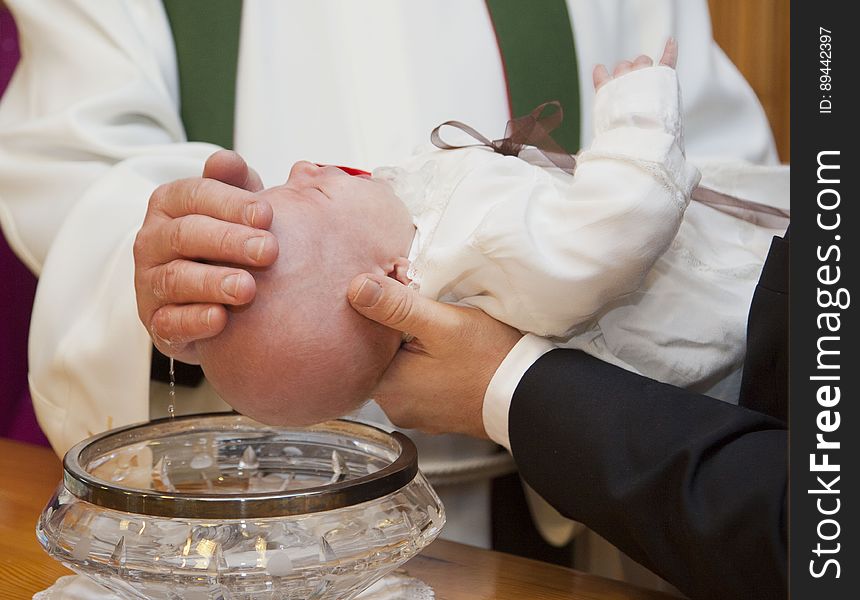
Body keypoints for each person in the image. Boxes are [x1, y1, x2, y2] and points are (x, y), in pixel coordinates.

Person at [0, 0, 781, 573]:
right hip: (252, 512)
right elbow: (68, 161)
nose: (311, 165)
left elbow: (711, 186)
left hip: (563, 480)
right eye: (300, 185)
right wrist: (177, 262)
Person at [194, 44, 779, 432]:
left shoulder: (414, 224)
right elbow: (615, 226)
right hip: (738, 310)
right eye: (311, 194)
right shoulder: (482, 245)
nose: (301, 166)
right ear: (395, 280)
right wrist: (637, 116)